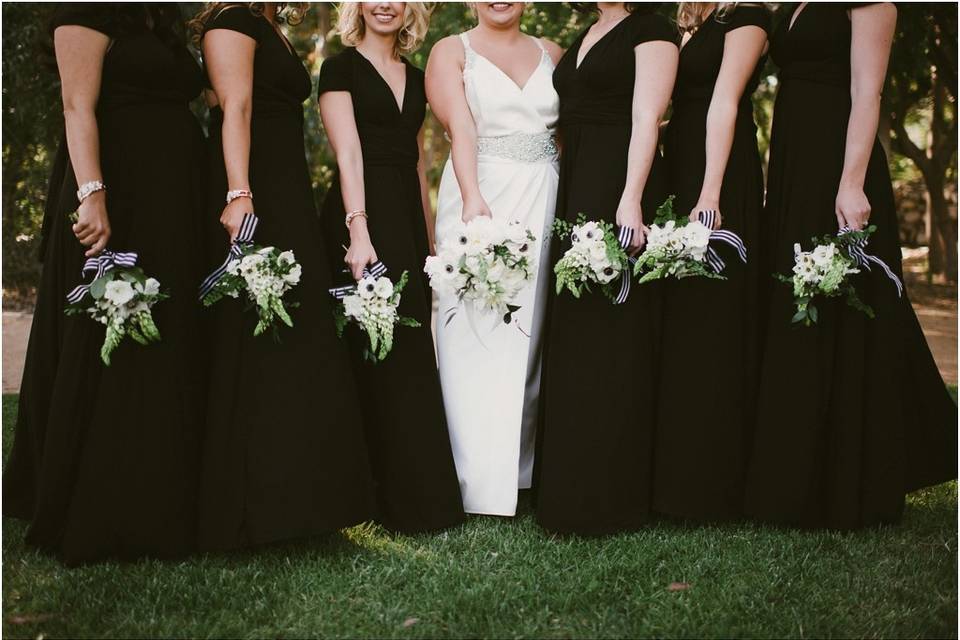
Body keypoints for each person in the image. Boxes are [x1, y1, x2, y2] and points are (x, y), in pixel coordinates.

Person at [2, 3, 207, 564]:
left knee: (163, 337)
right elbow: (76, 104)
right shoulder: (82, 10)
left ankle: (162, 490)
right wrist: (92, 192)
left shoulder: (159, 23)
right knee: (115, 334)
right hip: (120, 186)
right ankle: (106, 500)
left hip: (174, 196)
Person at [746, 2, 957, 529]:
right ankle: (793, 479)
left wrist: (851, 182)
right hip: (795, 165)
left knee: (843, 315)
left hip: (839, 171)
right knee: (796, 313)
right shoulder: (791, 5)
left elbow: (868, 92)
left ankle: (850, 487)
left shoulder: (870, 3)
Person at [193, 2, 375, 550]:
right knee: (256, 338)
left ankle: (302, 501)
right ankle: (252, 508)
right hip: (254, 187)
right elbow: (236, 107)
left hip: (286, 183)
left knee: (294, 340)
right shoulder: (232, 21)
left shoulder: (272, 23)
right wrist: (239, 193)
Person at [317, 2, 464, 533]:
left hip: (404, 215)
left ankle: (420, 498)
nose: (385, 4)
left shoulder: (421, 78)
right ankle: (368, 495)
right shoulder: (339, 68)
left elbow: (419, 160)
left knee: (408, 350)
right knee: (368, 349)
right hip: (360, 217)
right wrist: (359, 230)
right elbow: (348, 152)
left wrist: (428, 243)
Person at [535, 2, 678, 535]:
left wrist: (630, 199)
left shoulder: (654, 28)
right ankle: (569, 484)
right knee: (577, 334)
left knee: (613, 336)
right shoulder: (589, 30)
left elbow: (648, 117)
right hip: (575, 186)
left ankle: (612, 492)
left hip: (618, 186)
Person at [425, 1, 563, 517]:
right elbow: (460, 130)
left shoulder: (554, 54)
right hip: (480, 191)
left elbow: (572, 133)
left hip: (544, 197)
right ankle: (471, 479)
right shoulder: (450, 51)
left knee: (530, 333)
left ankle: (522, 473)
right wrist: (473, 200)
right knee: (475, 330)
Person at [654, 2, 771, 521]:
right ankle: (675, 471)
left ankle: (716, 482)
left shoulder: (747, 17)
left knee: (714, 321)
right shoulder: (690, 24)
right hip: (679, 162)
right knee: (681, 320)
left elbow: (724, 101)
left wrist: (709, 193)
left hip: (717, 173)